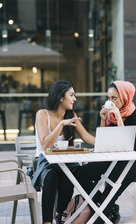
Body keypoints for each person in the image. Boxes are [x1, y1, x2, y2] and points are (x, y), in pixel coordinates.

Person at [75, 80, 136, 223]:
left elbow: (128, 146)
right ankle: (108, 208)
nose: (110, 101)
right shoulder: (108, 116)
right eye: (109, 98)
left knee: (109, 195)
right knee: (79, 175)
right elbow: (102, 142)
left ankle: (103, 213)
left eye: (114, 98)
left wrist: (118, 117)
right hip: (108, 160)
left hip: (128, 163)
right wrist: (103, 120)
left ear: (125, 97)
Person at [31, 80, 95, 224]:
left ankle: (59, 215)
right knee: (51, 176)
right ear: (61, 97)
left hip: (64, 160)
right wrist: (61, 124)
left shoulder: (71, 114)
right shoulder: (42, 114)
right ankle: (47, 221)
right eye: (71, 95)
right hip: (45, 160)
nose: (75, 99)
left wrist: (107, 144)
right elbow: (45, 144)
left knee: (69, 176)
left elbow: (86, 137)